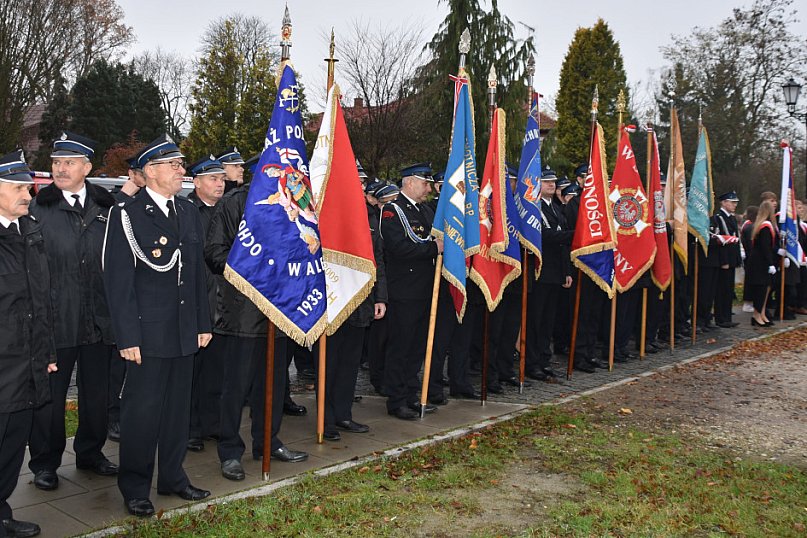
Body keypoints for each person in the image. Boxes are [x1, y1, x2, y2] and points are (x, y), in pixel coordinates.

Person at [103, 134, 212, 517]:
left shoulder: (187, 212)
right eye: (174, 165)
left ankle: (173, 478)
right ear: (150, 172)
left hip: (183, 330)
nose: (182, 170)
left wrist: (202, 321)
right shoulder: (127, 214)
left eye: (181, 164)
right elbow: (118, 282)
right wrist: (127, 335)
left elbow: (196, 273)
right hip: (147, 334)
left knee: (176, 413)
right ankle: (135, 486)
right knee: (141, 414)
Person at [28, 131, 118, 492]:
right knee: (50, 396)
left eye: (68, 163)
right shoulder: (39, 208)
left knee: (96, 393)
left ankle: (91, 452)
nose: (60, 169)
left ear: (87, 167)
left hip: (99, 318)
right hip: (56, 318)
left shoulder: (106, 206)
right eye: (55, 163)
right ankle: (45, 462)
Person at [205, 176, 309, 483]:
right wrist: (255, 273)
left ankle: (268, 442)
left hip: (280, 311)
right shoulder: (234, 203)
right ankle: (230, 452)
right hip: (243, 313)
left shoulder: (292, 201)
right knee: (236, 388)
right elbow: (214, 252)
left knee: (275, 385)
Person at [0, 150, 57, 538]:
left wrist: (48, 352)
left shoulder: (29, 231)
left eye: (28, 186)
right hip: (3, 362)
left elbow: (42, 299)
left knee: (12, 446)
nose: (29, 192)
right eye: (19, 187)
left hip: (27, 361)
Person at [380, 163, 443, 420]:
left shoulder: (425, 210)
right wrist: (433, 249)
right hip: (404, 290)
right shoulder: (392, 211)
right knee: (401, 346)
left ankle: (410, 394)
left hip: (425, 288)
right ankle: (396, 399)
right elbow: (399, 248)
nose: (428, 188)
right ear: (408, 182)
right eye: (424, 183)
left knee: (417, 346)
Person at [185, 156, 227, 451]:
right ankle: (190, 428)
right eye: (213, 179)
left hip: (223, 301)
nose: (220, 184)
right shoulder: (186, 211)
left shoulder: (226, 211)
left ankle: (212, 423)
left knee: (216, 369)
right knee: (193, 371)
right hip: (196, 299)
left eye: (222, 179)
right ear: (197, 181)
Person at [525, 169, 574, 378]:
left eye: (553, 182)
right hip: (540, 272)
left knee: (547, 321)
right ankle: (531, 362)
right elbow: (545, 236)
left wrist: (567, 272)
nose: (551, 185)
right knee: (535, 321)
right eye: (546, 182)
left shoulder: (555, 208)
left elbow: (562, 246)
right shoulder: (533, 209)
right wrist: (576, 234)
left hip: (556, 273)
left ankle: (544, 359)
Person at [746, 200, 777, 327]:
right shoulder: (765, 227)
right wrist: (770, 263)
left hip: (761, 261)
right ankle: (756, 315)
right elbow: (765, 247)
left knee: (765, 288)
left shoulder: (763, 225)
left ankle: (762, 313)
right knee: (760, 289)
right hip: (760, 262)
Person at [713, 191, 742, 328]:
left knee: (729, 289)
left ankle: (727, 315)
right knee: (722, 290)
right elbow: (721, 241)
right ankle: (721, 318)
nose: (734, 205)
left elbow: (734, 238)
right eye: (732, 202)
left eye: (735, 202)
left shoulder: (731, 218)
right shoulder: (719, 218)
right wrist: (724, 261)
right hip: (724, 259)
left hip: (732, 258)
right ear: (724, 203)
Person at [740, 206, 759, 313]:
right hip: (750, 257)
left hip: (750, 256)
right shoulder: (749, 226)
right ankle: (748, 301)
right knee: (750, 280)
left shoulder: (748, 226)